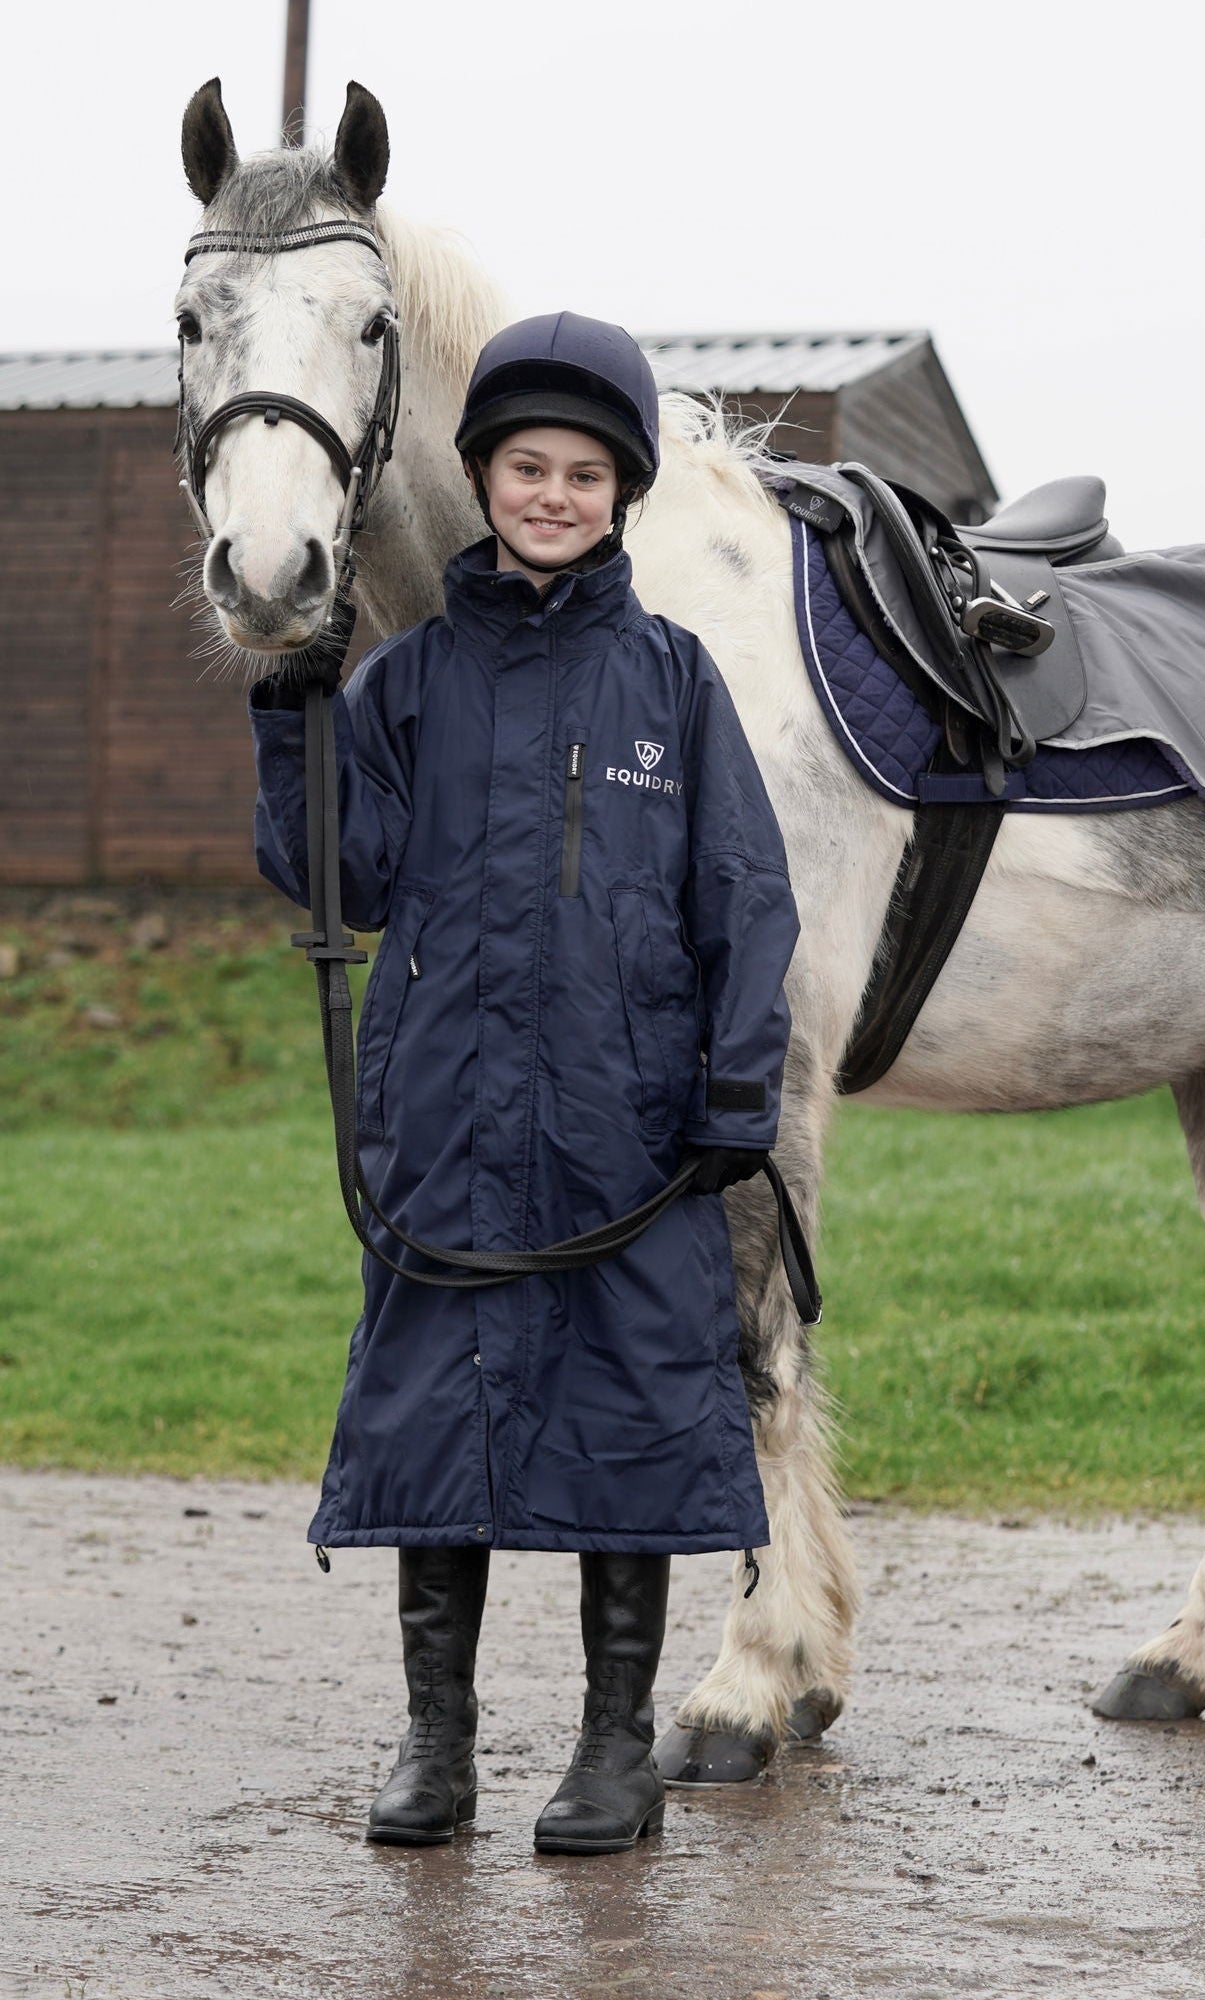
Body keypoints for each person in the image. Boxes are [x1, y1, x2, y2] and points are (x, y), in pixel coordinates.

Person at [248, 312, 798, 1856]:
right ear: (482, 476)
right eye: (524, 465)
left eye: (582, 472)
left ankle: (613, 1751)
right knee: (442, 1428)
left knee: (625, 1426)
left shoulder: (674, 685)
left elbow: (747, 900)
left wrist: (733, 1095)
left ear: (622, 492)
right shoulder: (409, 682)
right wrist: (292, 707)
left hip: (626, 1141)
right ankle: (439, 1747)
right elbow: (337, 874)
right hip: (444, 1124)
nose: (551, 493)